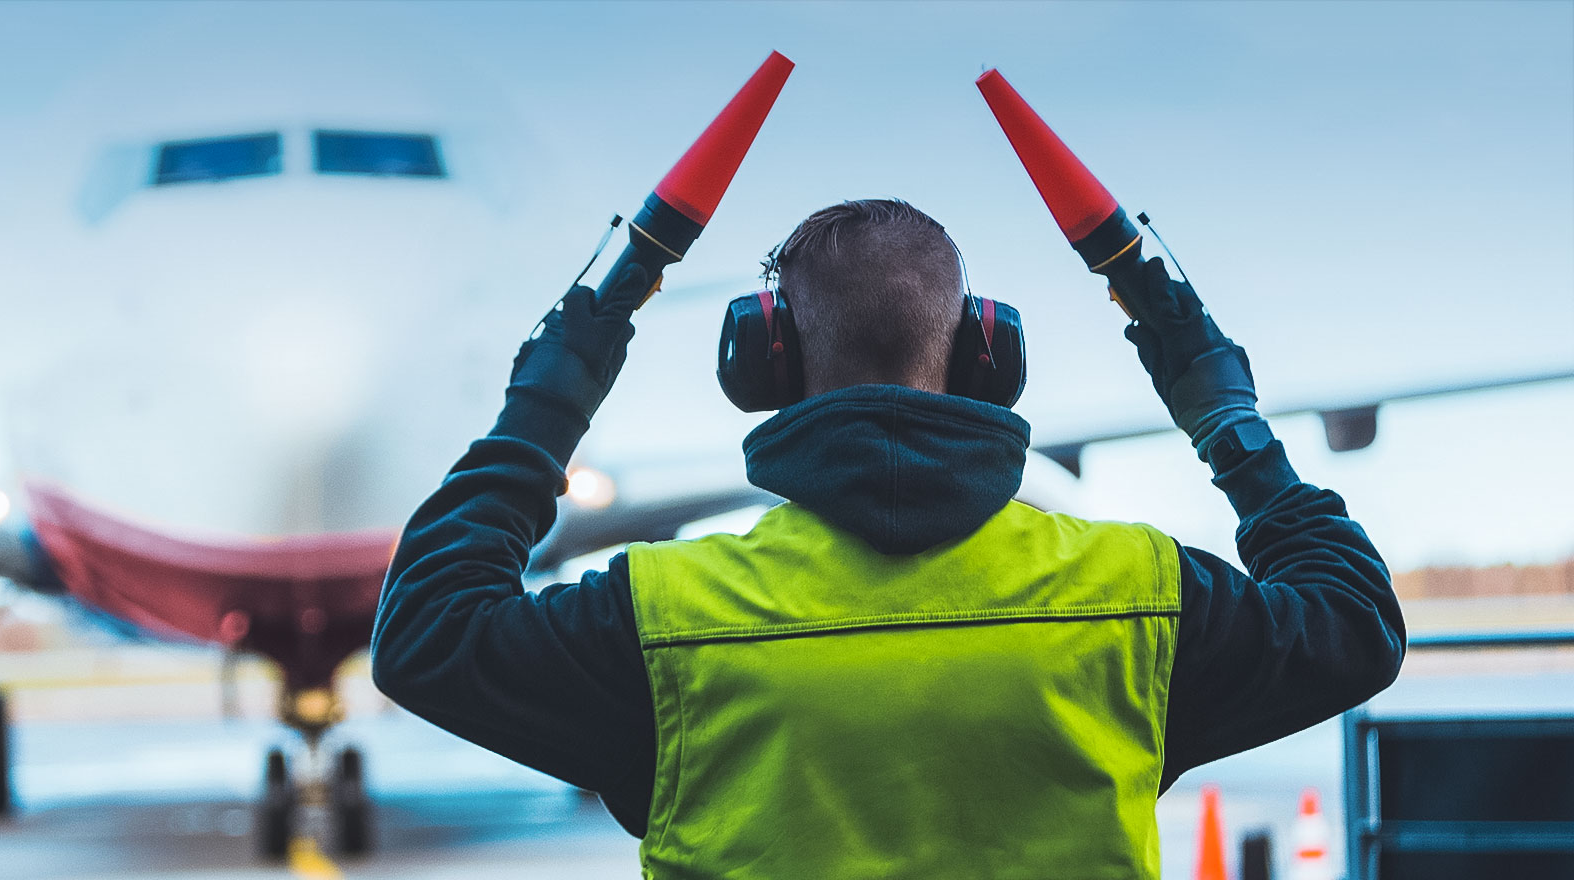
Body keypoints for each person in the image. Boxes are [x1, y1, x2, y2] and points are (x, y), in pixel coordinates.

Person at [372, 198, 1404, 878]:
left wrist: (548, 402)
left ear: (762, 362)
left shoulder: (661, 618)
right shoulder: (1135, 595)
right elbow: (1355, 619)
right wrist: (1221, 416)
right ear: (985, 356)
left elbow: (424, 630)